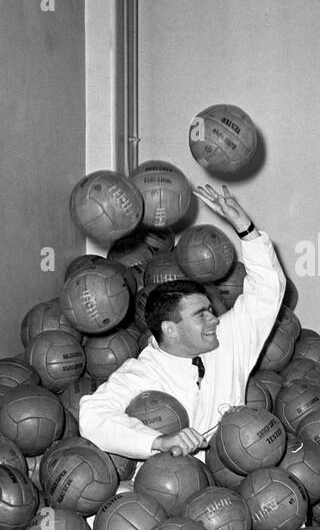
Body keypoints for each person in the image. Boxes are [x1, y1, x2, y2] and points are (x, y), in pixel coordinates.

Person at [79, 184, 285, 459]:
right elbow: (92, 418)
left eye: (210, 309)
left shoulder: (228, 339)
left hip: (231, 473)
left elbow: (268, 291)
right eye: (201, 314)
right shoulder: (143, 373)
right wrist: (160, 440)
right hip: (171, 482)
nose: (214, 319)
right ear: (170, 329)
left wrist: (245, 228)